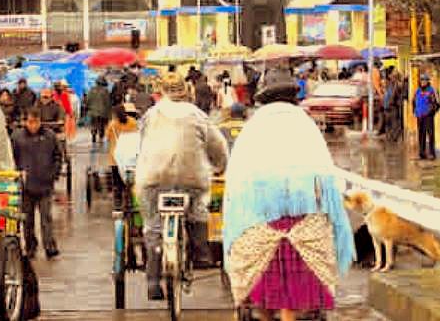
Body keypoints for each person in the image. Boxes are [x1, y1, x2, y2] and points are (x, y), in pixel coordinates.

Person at [223, 69, 355, 321]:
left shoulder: (253, 128)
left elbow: (236, 186)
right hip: (306, 227)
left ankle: (263, 313)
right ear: (293, 96)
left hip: (259, 230)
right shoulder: (306, 125)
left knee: (261, 300)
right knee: (294, 303)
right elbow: (325, 182)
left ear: (263, 98)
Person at [135, 73, 229, 300]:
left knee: (153, 225)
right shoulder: (197, 114)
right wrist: (220, 165)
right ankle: (201, 253)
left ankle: (153, 279)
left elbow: (143, 143)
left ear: (163, 92)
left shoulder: (151, 114)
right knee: (198, 208)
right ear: (186, 92)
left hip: (153, 178)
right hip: (191, 179)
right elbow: (217, 145)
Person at [11, 107, 62, 259]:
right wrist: (17, 175)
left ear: (40, 121)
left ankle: (50, 246)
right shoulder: (17, 137)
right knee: (27, 220)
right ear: (25, 122)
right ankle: (30, 247)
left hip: (45, 185)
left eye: (36, 122)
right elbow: (12, 158)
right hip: (26, 186)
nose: (33, 125)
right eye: (30, 122)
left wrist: (53, 174)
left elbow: (58, 156)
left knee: (46, 218)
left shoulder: (50, 136)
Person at [106, 103, 139, 208]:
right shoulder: (133, 122)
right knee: (131, 182)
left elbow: (107, 137)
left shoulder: (112, 124)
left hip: (115, 158)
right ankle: (132, 201)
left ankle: (118, 202)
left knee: (117, 183)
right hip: (131, 157)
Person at [412, 73, 440, 160]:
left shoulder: (432, 90)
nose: (423, 82)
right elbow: (413, 101)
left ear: (428, 81)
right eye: (421, 80)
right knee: (421, 134)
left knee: (430, 134)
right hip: (419, 116)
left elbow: (438, 103)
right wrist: (415, 111)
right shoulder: (417, 91)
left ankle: (432, 153)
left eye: (424, 80)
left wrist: (431, 112)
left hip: (428, 116)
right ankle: (422, 152)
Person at [85, 77, 111, 144]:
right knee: (102, 125)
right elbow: (108, 102)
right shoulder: (105, 91)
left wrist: (88, 107)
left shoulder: (91, 90)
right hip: (103, 112)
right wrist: (109, 113)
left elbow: (88, 100)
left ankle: (93, 134)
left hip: (93, 111)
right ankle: (100, 137)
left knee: (94, 124)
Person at [383, 71, 404, 143]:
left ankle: (393, 138)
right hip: (387, 107)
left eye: (393, 76)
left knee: (394, 124)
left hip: (393, 107)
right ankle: (389, 137)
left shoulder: (398, 85)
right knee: (388, 124)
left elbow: (397, 96)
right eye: (392, 76)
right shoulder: (389, 85)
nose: (391, 78)